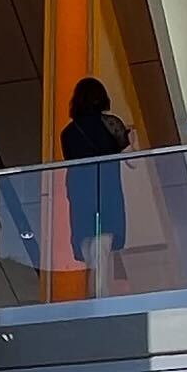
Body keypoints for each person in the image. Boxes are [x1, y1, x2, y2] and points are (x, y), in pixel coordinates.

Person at [59, 75, 132, 282]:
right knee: (104, 241)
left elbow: (71, 160)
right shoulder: (111, 124)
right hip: (106, 183)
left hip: (79, 186)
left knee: (87, 242)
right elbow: (132, 160)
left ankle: (94, 289)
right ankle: (100, 293)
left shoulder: (67, 133)